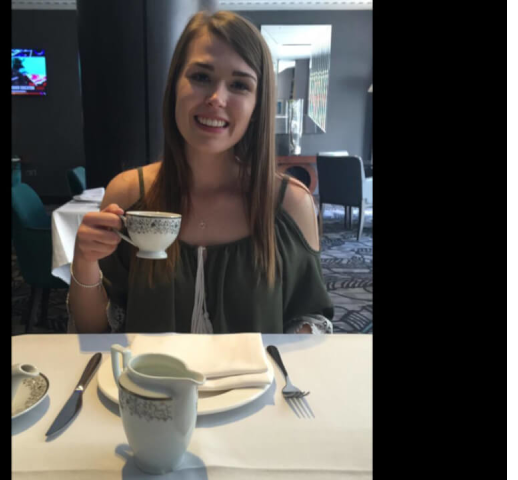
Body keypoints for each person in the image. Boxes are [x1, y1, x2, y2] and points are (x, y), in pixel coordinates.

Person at [67, 11, 333, 334]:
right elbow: (94, 331)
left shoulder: (289, 205)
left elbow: (310, 319)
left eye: (239, 85)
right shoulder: (129, 195)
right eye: (201, 77)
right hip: (148, 372)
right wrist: (84, 261)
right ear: (174, 87)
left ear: (256, 105)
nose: (216, 99)